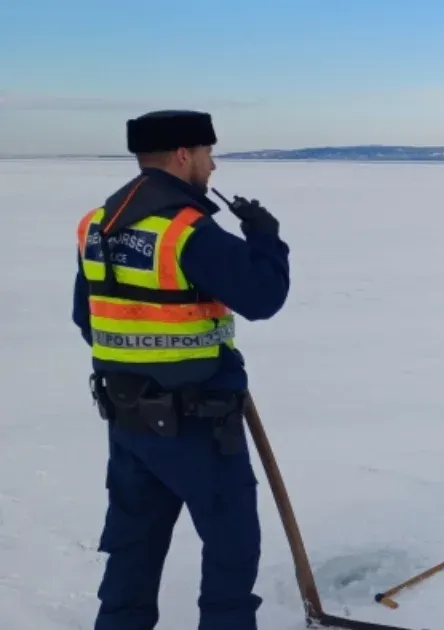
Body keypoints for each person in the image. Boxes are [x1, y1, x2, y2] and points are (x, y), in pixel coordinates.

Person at [73, 110, 291, 630]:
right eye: (209, 154)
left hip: (127, 420)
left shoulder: (97, 224)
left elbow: (89, 318)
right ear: (183, 155)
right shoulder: (185, 231)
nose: (213, 167)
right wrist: (266, 239)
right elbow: (263, 297)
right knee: (231, 546)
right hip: (199, 425)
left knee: (133, 546)